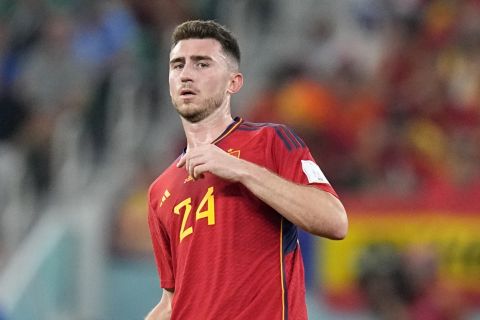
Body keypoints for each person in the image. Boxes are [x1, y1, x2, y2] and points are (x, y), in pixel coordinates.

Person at [146, 20, 348, 320]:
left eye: (202, 64)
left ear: (233, 83)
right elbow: (173, 302)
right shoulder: (160, 190)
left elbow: (335, 221)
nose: (186, 74)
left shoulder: (271, 142)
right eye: (178, 65)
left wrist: (239, 169)